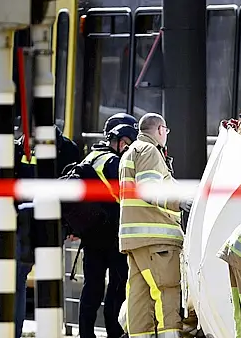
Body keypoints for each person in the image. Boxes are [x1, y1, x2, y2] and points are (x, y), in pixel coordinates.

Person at [118, 113, 191, 338]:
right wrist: (181, 201)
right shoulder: (149, 151)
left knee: (139, 298)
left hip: (135, 240)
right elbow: (149, 189)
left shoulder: (130, 153)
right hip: (157, 239)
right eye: (166, 131)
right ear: (160, 130)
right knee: (166, 290)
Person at [13, 123, 81, 338]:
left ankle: (19, 332)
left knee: (19, 279)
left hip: (29, 222)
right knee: (43, 280)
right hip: (47, 223)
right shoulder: (68, 148)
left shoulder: (21, 147)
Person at [78, 117, 138, 338]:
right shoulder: (113, 162)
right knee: (117, 286)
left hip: (91, 234)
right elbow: (127, 195)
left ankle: (86, 333)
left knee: (91, 287)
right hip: (113, 234)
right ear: (123, 143)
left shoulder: (92, 156)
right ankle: (114, 333)